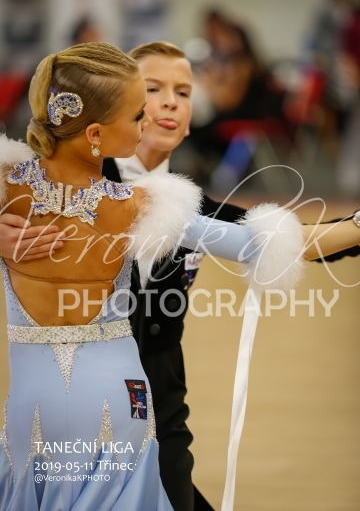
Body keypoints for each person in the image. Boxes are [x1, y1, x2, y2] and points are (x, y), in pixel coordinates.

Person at [1, 41, 360, 511]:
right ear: (96, 129)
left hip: (39, 404)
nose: (156, 112)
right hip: (118, 398)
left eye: (183, 92)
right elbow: (261, 245)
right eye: (141, 106)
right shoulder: (140, 205)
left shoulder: (11, 188)